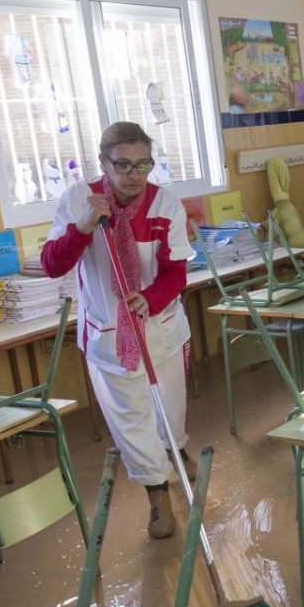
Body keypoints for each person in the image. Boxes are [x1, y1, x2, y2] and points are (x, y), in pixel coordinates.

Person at [41, 120, 195, 540]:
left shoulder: (165, 205)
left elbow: (176, 272)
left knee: (170, 408)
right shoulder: (79, 200)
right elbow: (52, 265)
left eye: (143, 165)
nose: (134, 175)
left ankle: (177, 449)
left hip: (160, 327)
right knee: (131, 420)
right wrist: (84, 227)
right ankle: (157, 494)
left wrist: (151, 297)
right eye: (123, 165)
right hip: (110, 335)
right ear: (103, 162)